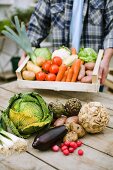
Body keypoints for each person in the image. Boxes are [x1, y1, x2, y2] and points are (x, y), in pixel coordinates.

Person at [19, 0, 113, 85]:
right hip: (59, 74)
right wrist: (25, 53)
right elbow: (37, 26)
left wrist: (106, 59)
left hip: (92, 71)